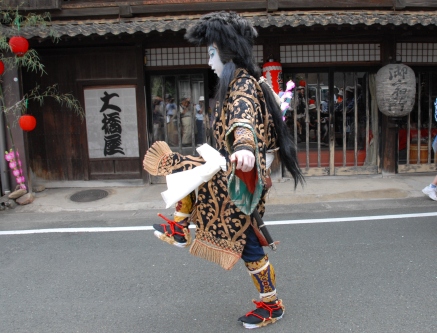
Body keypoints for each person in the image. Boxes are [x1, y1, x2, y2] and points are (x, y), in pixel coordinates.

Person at [143, 11, 303, 329]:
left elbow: (243, 121)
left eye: (211, 53)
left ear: (225, 54)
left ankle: (271, 305)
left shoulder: (242, 88)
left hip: (243, 178)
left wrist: (243, 147)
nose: (209, 61)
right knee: (192, 171)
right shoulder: (241, 82)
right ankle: (179, 226)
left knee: (247, 241)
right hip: (236, 174)